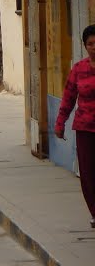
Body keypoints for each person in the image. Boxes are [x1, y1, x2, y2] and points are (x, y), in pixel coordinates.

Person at [55, 23, 95, 229]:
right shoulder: (78, 70)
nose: (94, 47)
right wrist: (60, 122)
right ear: (85, 46)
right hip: (86, 129)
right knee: (88, 173)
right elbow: (68, 98)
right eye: (90, 43)